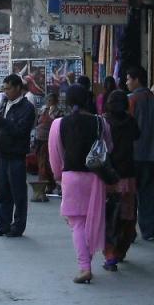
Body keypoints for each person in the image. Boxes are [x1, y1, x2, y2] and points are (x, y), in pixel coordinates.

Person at [48, 86, 110, 283]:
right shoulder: (100, 122)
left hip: (71, 176)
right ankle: (87, 261)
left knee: (77, 223)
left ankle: (84, 267)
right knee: (93, 220)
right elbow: (108, 148)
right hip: (96, 177)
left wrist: (58, 176)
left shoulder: (59, 123)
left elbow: (55, 153)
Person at [0, 73, 36, 237]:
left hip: (16, 155)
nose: (6, 92)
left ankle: (18, 226)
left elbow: (20, 130)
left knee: (18, 193)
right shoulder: (4, 103)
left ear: (17, 88)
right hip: (2, 153)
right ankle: (3, 224)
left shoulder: (27, 107)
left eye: (8, 89)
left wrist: (1, 120)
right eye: (4, 89)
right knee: (3, 192)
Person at [126, 65, 154, 242]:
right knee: (148, 193)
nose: (127, 82)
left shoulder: (131, 100)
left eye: (128, 79)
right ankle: (148, 231)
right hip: (152, 154)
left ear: (136, 80)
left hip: (134, 153)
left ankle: (129, 231)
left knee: (131, 194)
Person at [101, 90, 139, 271]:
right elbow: (137, 135)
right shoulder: (130, 121)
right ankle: (121, 251)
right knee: (127, 216)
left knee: (109, 218)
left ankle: (110, 255)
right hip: (128, 175)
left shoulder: (104, 121)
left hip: (109, 176)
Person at [32, 92, 61, 202]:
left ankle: (44, 187)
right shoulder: (43, 110)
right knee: (43, 163)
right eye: (47, 100)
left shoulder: (58, 112)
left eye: (50, 100)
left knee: (46, 164)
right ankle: (49, 185)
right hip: (39, 139)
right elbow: (37, 123)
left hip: (50, 140)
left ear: (55, 101)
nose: (48, 102)